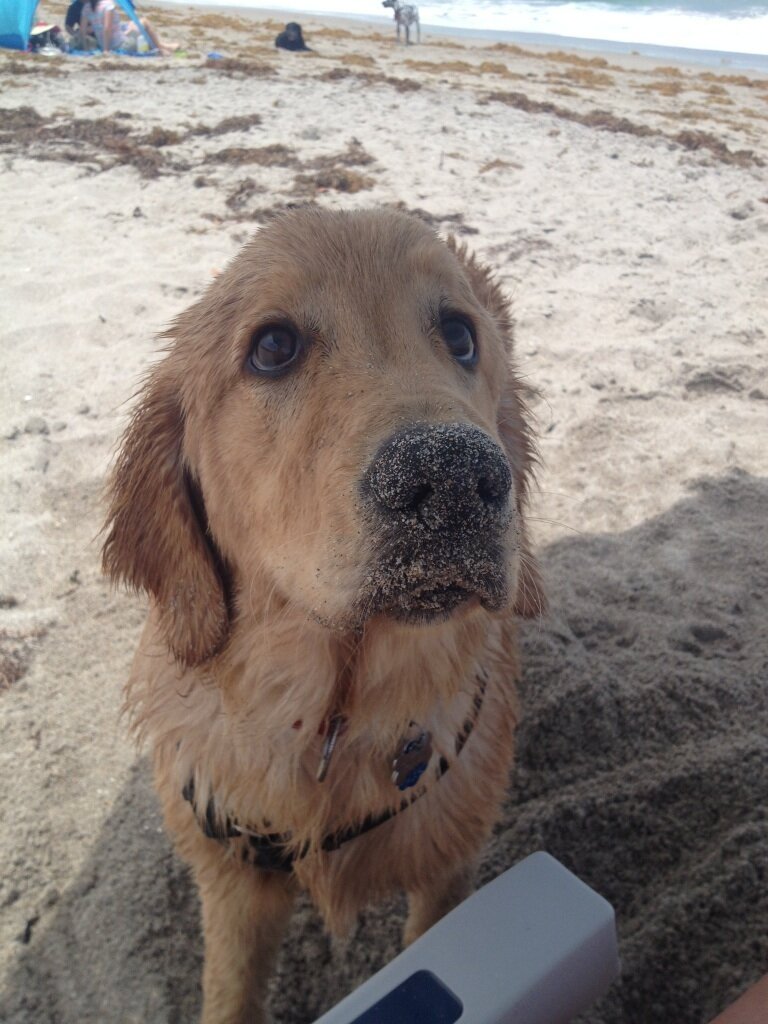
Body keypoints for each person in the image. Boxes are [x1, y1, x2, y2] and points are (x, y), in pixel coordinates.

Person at [79, 0, 176, 55]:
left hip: (108, 42)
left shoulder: (86, 8)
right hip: (121, 45)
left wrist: (85, 47)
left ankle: (164, 46)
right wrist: (106, 50)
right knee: (144, 22)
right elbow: (107, 28)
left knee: (131, 24)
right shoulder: (107, 5)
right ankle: (161, 48)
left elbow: (82, 31)